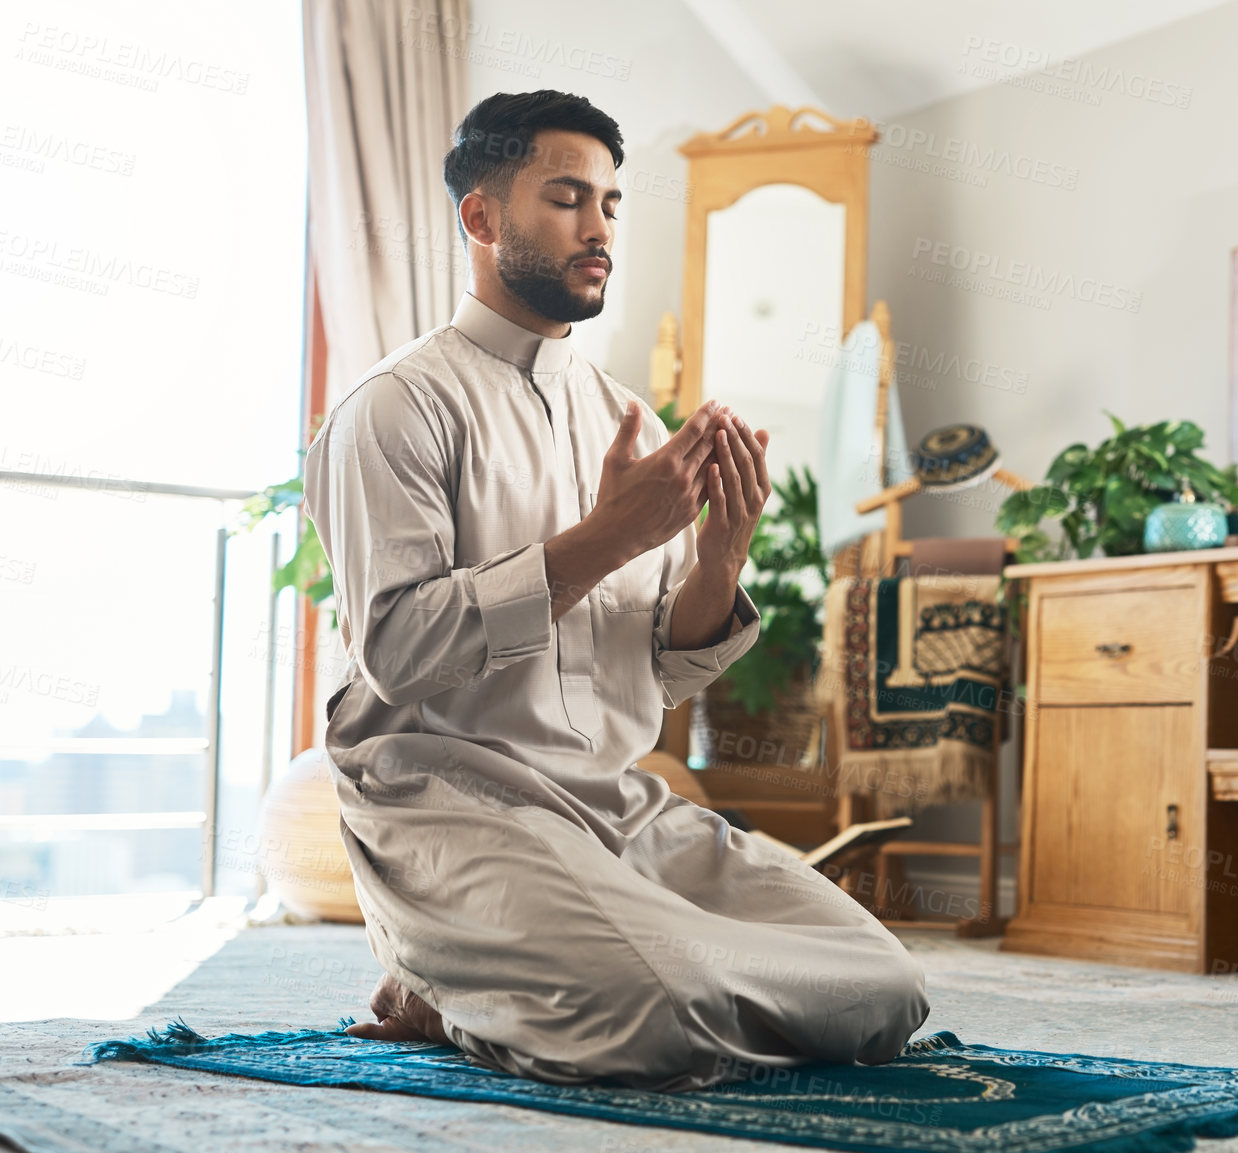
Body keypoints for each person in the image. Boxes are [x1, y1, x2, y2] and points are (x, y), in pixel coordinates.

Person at [302, 89, 929, 1092]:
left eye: (609, 204)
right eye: (566, 199)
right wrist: (601, 540)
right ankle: (451, 980)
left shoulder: (622, 415)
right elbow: (399, 650)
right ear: (481, 217)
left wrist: (722, 553)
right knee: (656, 1014)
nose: (598, 230)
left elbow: (662, 666)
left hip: (610, 804)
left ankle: (488, 976)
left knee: (881, 991)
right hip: (449, 802)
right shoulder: (395, 408)